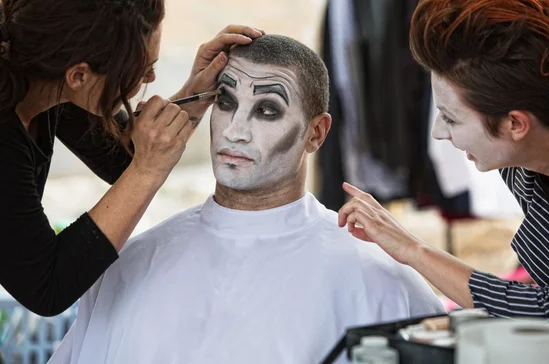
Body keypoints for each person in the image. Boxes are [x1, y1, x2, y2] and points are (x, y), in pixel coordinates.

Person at [48, 35, 444, 364]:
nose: (235, 131)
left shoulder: (379, 281)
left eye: (267, 110)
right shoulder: (131, 262)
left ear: (316, 133)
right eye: (225, 102)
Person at [338, 0, 549, 333]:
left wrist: (412, 249)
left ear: (515, 124)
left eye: (451, 118)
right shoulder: (524, 164)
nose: (437, 133)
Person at [0, 0, 263, 317]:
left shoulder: (45, 75)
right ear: (79, 74)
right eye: (141, 71)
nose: (152, 77)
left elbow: (121, 159)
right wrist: (148, 170)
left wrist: (194, 93)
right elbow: (46, 286)